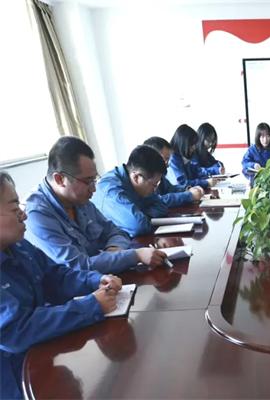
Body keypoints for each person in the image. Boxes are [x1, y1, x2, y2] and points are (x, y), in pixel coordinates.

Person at [0, 171, 122, 399]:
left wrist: (95, 280)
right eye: (15, 207)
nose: (24, 215)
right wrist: (91, 306)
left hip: (43, 355)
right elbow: (15, 330)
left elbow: (55, 276)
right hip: (15, 383)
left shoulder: (19, 247)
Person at [25, 137, 167, 273]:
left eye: (94, 179)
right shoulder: (38, 215)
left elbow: (116, 231)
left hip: (105, 280)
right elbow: (77, 267)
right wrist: (135, 256)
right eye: (88, 181)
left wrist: (115, 249)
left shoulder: (79, 199)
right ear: (60, 179)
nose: (93, 189)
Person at [92, 145, 170, 237]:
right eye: (154, 185)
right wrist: (143, 217)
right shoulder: (111, 190)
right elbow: (138, 226)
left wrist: (144, 216)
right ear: (136, 177)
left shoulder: (140, 183)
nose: (155, 190)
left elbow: (161, 206)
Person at [143, 136, 204, 207]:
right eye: (165, 159)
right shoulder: (144, 178)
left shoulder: (160, 175)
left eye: (168, 159)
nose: (168, 164)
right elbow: (158, 201)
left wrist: (188, 189)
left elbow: (171, 188)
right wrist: (189, 195)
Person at [166, 124, 215, 189]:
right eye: (192, 144)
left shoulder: (186, 155)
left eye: (194, 144)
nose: (194, 147)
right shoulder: (172, 159)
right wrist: (205, 182)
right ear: (183, 143)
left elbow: (197, 173)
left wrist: (207, 179)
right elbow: (182, 183)